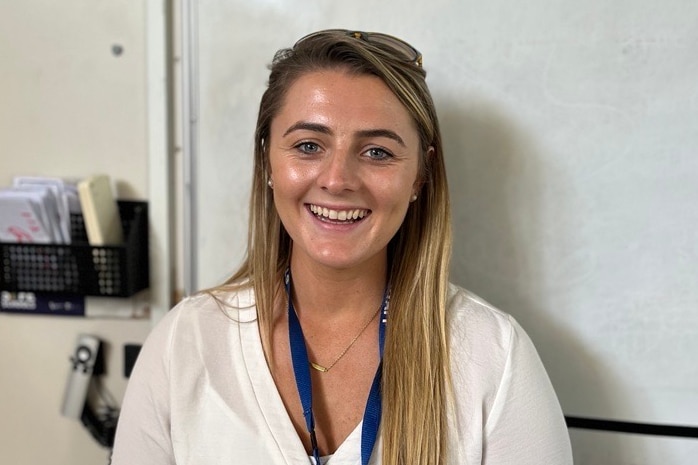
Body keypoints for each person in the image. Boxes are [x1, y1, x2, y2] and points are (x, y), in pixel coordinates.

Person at [111, 29, 573, 465]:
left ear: (420, 176)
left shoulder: (493, 356)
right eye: (309, 145)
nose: (336, 180)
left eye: (377, 152)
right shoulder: (185, 343)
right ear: (267, 159)